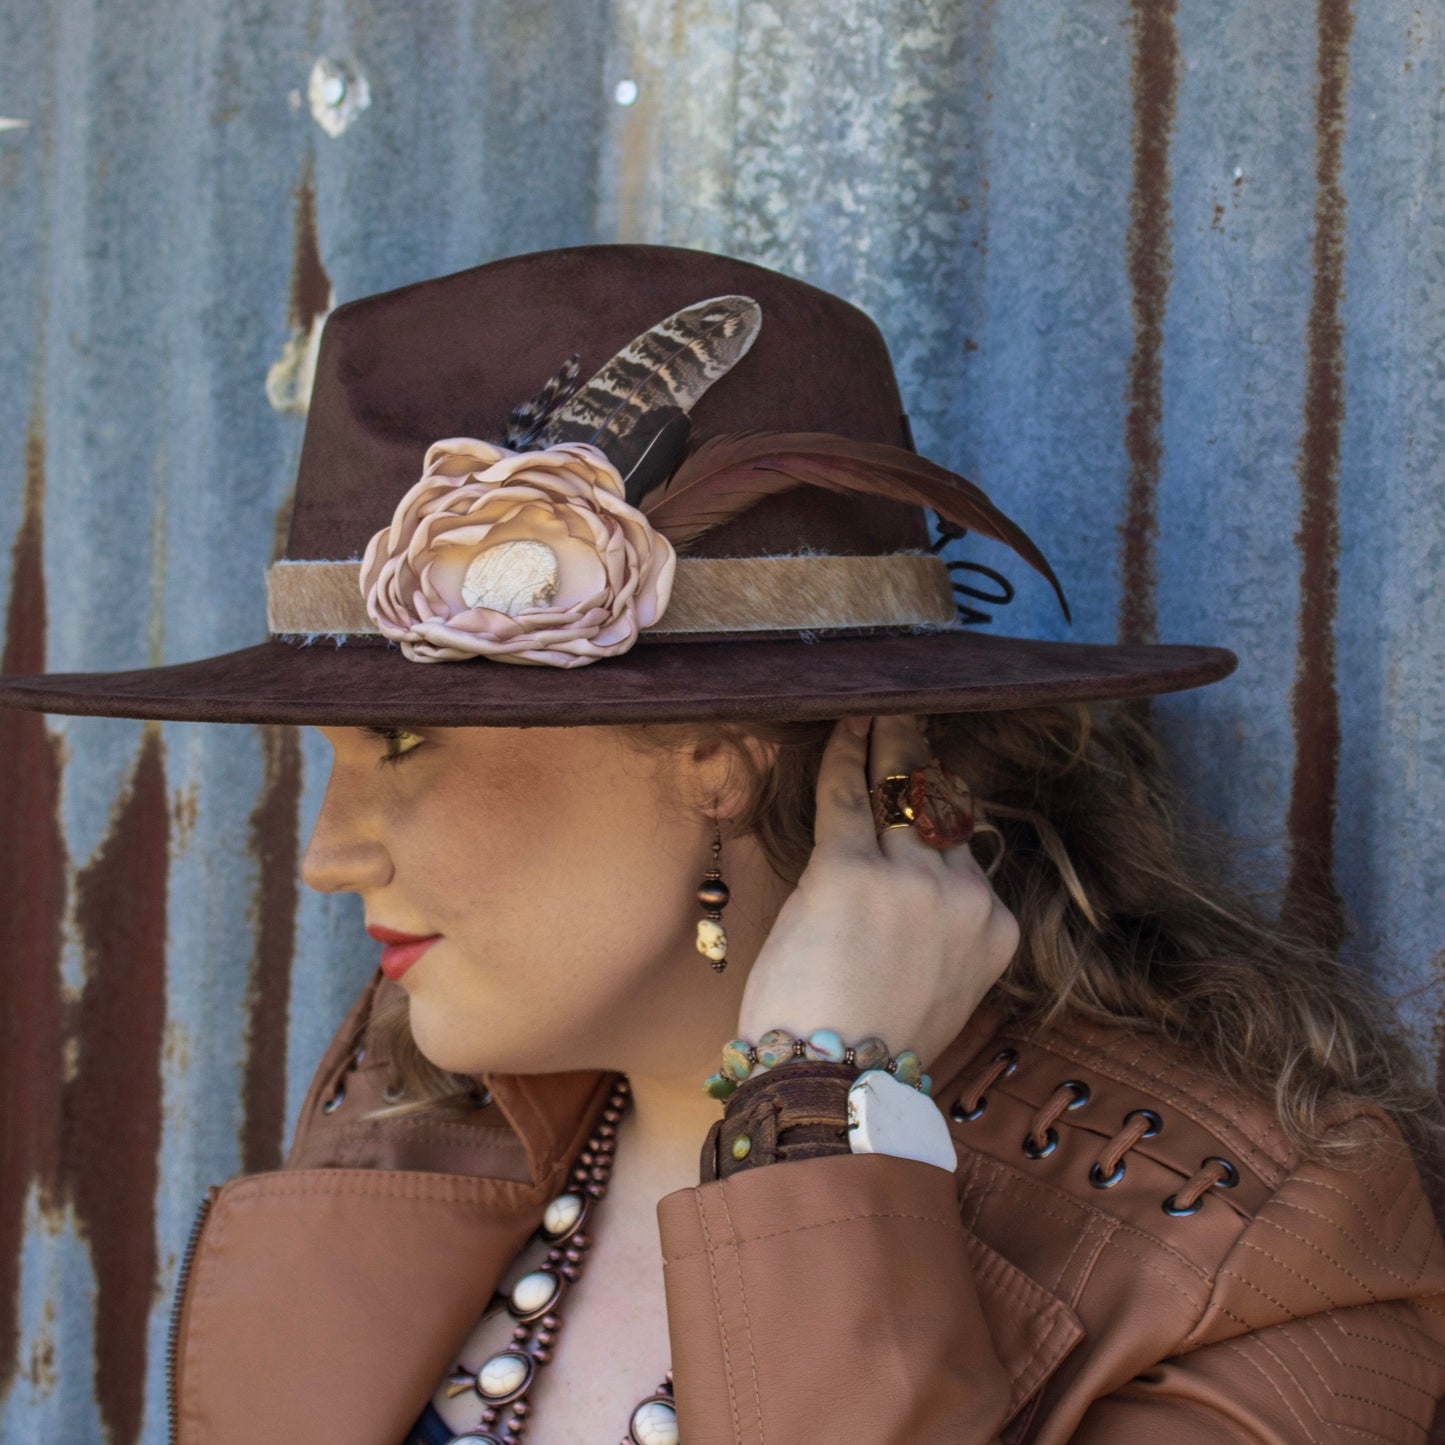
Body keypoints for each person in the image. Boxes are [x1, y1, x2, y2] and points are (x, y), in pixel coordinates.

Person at [4, 245, 1444, 1445]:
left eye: (400, 743)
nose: (325, 857)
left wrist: (820, 1120)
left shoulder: (1251, 1256)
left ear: (714, 750)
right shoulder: (422, 1101)